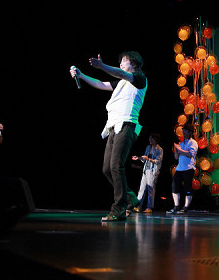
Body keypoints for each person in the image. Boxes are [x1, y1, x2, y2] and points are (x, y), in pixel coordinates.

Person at [70, 51, 147, 222]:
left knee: (116, 166)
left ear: (134, 64)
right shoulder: (121, 83)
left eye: (124, 61)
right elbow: (100, 84)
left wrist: (102, 66)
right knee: (107, 169)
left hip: (127, 125)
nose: (121, 64)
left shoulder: (140, 78)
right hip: (114, 127)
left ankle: (119, 208)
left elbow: (120, 73)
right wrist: (81, 75)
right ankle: (131, 199)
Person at [168, 123, 198, 214]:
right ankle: (176, 206)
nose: (183, 132)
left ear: (190, 132)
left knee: (187, 188)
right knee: (174, 186)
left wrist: (179, 149)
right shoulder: (181, 143)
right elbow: (176, 157)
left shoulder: (193, 142)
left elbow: (190, 154)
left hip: (188, 168)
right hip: (179, 168)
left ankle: (185, 207)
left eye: (185, 130)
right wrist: (176, 150)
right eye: (183, 130)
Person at [131, 133, 163, 213]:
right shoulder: (148, 147)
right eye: (150, 138)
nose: (150, 140)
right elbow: (144, 159)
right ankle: (138, 206)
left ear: (155, 139)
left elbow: (158, 161)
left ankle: (149, 207)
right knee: (142, 188)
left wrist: (148, 159)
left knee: (150, 190)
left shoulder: (159, 149)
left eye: (151, 138)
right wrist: (138, 158)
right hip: (145, 170)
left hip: (152, 171)